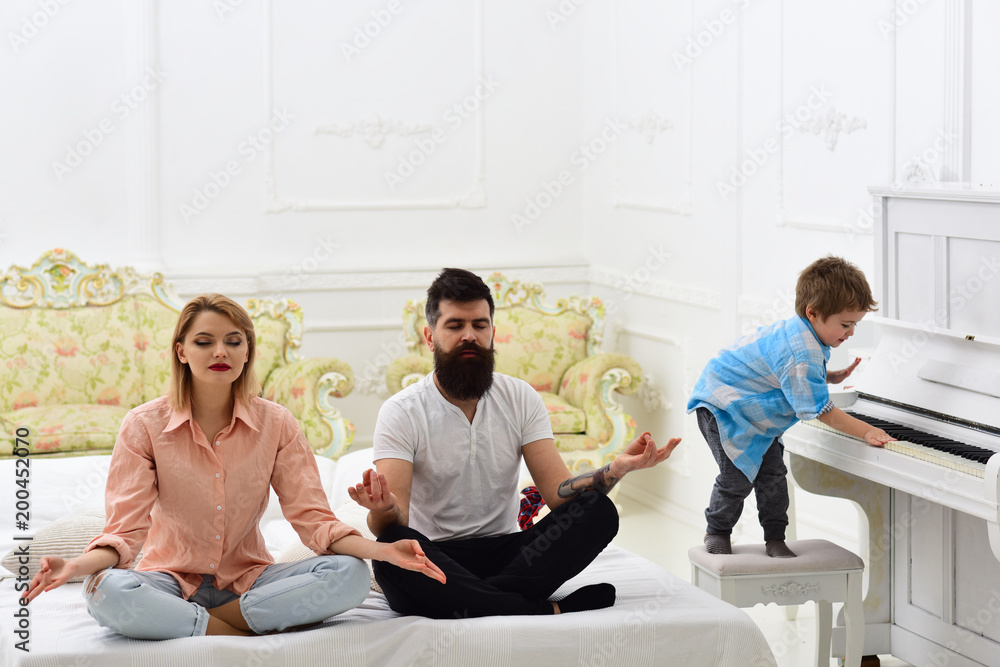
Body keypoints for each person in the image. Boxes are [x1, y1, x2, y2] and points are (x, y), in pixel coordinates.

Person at [22, 294, 444, 638]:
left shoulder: (277, 423)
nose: (220, 351)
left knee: (349, 575)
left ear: (247, 351)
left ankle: (192, 624)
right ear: (181, 351)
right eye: (204, 342)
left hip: (251, 581)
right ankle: (237, 630)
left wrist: (382, 551)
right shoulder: (143, 426)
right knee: (105, 590)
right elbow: (124, 532)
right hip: (168, 582)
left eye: (234, 341)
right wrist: (75, 566)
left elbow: (314, 521)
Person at [348, 268, 681, 618]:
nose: (469, 336)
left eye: (479, 325)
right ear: (430, 337)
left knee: (598, 511)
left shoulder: (521, 398)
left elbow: (558, 495)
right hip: (435, 556)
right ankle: (539, 608)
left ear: (492, 333)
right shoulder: (401, 411)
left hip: (510, 555)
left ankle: (473, 600)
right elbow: (390, 524)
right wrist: (383, 508)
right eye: (455, 325)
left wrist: (615, 470)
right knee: (390, 549)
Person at [687, 256, 894, 558]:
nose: (851, 332)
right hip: (723, 407)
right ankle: (717, 531)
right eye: (845, 324)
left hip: (753, 414)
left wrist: (827, 376)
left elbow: (787, 373)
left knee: (773, 476)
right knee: (736, 478)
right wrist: (866, 431)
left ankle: (775, 538)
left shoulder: (804, 334)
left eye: (855, 325)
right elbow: (823, 411)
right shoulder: (802, 353)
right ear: (813, 313)